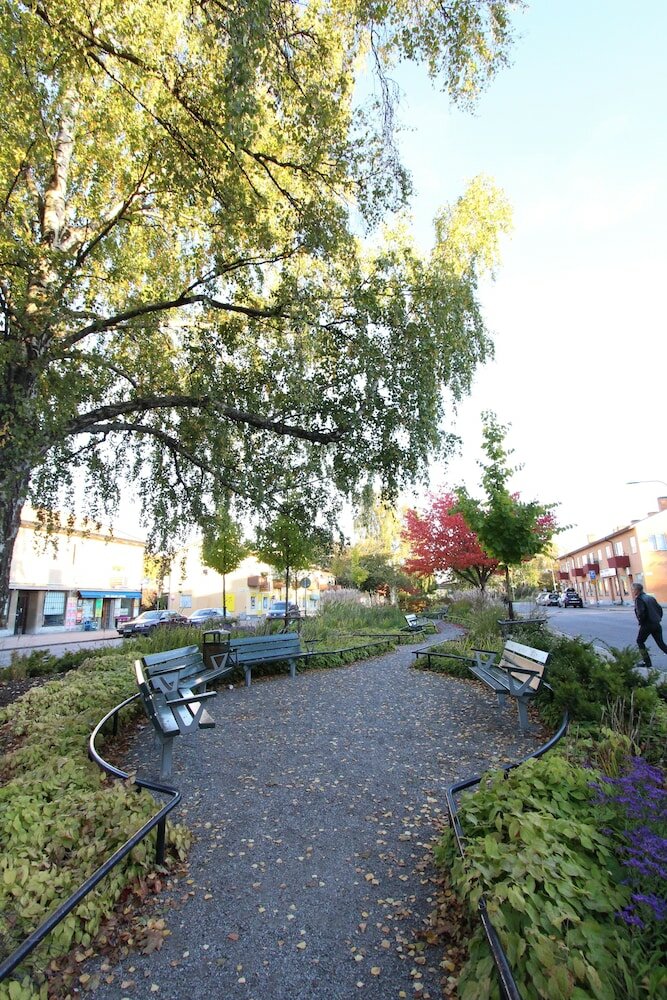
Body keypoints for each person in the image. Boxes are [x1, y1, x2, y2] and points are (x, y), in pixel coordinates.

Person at [631, 582, 667, 667]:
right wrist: (658, 618)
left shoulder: (639, 599)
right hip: (656, 624)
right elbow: (659, 609)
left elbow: (641, 613)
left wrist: (641, 621)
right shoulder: (650, 597)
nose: (632, 591)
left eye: (632, 589)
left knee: (640, 641)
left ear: (636, 590)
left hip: (647, 624)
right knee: (661, 643)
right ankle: (647, 663)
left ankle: (647, 662)